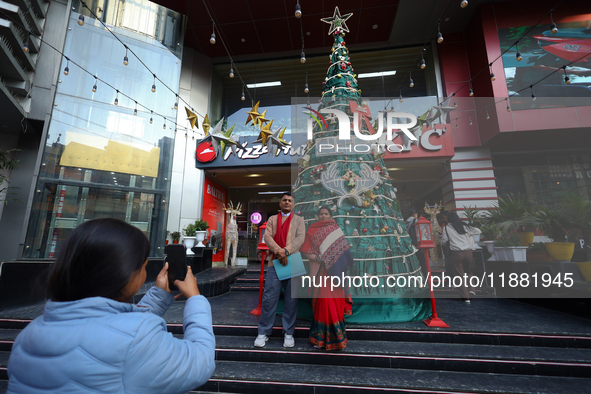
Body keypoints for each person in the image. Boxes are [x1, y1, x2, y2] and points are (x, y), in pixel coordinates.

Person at [7, 218, 215, 394]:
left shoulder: (28, 335)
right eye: (143, 267)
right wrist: (196, 298)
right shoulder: (137, 338)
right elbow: (200, 361)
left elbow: (115, 327)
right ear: (125, 274)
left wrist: (160, 295)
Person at [254, 192, 306, 348]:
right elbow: (267, 238)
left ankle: (289, 333)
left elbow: (300, 239)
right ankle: (263, 332)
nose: (287, 202)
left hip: (293, 262)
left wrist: (286, 251)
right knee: (269, 298)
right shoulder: (271, 219)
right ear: (280, 203)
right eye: (284, 200)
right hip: (275, 262)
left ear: (294, 204)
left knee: (291, 300)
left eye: (290, 200)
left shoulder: (299, 220)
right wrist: (279, 251)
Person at [300, 206, 354, 351]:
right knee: (323, 304)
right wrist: (319, 257)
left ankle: (337, 339)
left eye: (326, 214)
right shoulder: (311, 230)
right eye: (321, 214)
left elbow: (343, 252)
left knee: (335, 304)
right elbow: (305, 250)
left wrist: (333, 259)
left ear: (330, 216)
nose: (323, 216)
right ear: (318, 216)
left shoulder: (336, 230)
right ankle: (320, 340)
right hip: (321, 272)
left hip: (336, 275)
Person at [441, 212, 482, 303]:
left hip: (456, 254)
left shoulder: (446, 228)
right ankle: (472, 289)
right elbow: (478, 231)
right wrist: (469, 236)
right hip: (468, 253)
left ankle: (465, 297)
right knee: (468, 271)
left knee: (459, 275)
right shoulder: (464, 226)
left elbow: (444, 240)